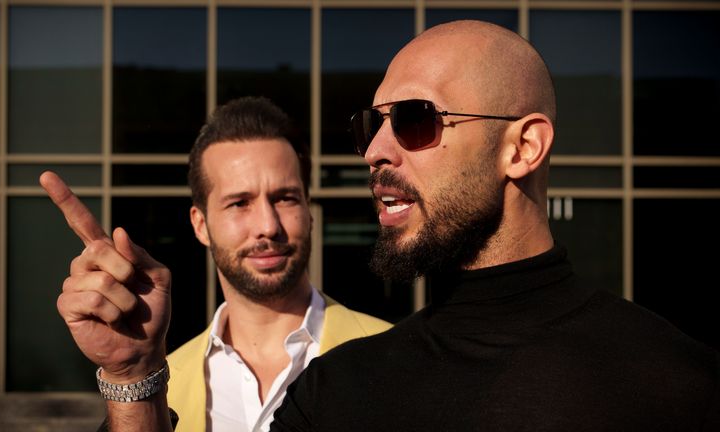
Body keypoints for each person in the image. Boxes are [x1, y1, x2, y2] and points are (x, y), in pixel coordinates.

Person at [268, 20, 720, 431]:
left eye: (416, 118)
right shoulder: (332, 396)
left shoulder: (677, 386)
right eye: (371, 125)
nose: (374, 152)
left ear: (523, 147)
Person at [39, 97, 391, 432]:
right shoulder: (156, 381)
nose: (268, 226)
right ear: (200, 224)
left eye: (285, 198)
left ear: (308, 211)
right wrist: (131, 375)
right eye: (240, 203)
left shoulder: (395, 355)